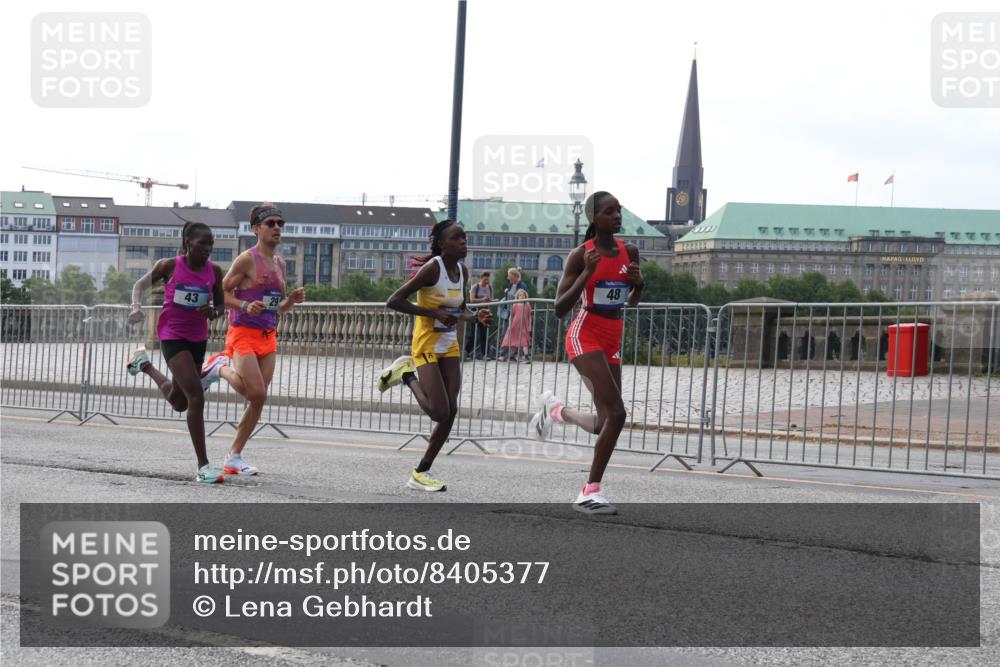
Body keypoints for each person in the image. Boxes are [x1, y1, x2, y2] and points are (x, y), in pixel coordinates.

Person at [528, 191, 644, 515]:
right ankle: (589, 490)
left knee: (603, 422)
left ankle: (556, 411)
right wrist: (585, 275)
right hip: (584, 333)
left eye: (620, 211)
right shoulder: (581, 255)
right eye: (610, 211)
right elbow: (559, 307)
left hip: (613, 338)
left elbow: (629, 303)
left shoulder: (629, 251)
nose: (618, 216)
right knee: (618, 415)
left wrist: (639, 286)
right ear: (595, 217)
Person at [378, 220, 492, 492]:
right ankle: (406, 375)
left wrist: (475, 317)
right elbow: (394, 301)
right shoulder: (433, 269)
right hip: (427, 344)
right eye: (457, 238)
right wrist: (432, 313)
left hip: (449, 345)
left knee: (451, 411)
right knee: (439, 412)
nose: (464, 242)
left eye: (465, 237)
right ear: (442, 244)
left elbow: (460, 309)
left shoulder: (462, 271)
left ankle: (421, 472)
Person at [199, 203, 305, 476]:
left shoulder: (280, 263)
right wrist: (244, 306)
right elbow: (220, 294)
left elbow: (276, 307)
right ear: (256, 229)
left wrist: (290, 300)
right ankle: (219, 367)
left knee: (258, 399)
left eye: (280, 223)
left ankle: (234, 457)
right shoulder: (246, 259)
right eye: (271, 223)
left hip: (268, 335)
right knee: (255, 392)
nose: (277, 228)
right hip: (243, 333)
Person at [125, 221, 227, 484]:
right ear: (187, 243)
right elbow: (139, 286)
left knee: (179, 402)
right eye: (202, 243)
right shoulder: (169, 266)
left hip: (198, 338)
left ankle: (144, 365)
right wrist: (135, 307)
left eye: (211, 244)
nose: (207, 249)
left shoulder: (214, 271)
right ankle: (203, 467)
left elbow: (221, 307)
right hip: (172, 335)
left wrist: (212, 312)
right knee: (195, 396)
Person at [496, 267, 528, 360]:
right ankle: (506, 354)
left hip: (516, 314)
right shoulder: (512, 285)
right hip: (509, 313)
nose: (508, 278)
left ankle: (507, 354)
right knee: (506, 332)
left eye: (509, 276)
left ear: (514, 276)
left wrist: (508, 294)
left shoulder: (522, 286)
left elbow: (521, 299)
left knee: (511, 333)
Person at [499, 288, 533, 362]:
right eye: (520, 295)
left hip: (524, 326)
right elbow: (511, 316)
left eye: (523, 295)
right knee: (514, 342)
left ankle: (526, 356)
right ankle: (508, 356)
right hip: (515, 325)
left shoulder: (527, 305)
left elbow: (529, 316)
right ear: (517, 296)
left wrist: (530, 325)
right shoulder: (515, 304)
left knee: (524, 341)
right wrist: (510, 325)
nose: (522, 296)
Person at [465, 271, 493, 359]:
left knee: (484, 334)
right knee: (472, 334)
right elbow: (472, 299)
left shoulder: (490, 288)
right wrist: (482, 299)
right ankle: (467, 352)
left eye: (488, 279)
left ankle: (485, 354)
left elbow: (492, 298)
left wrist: (490, 300)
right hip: (475, 312)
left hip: (485, 312)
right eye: (485, 279)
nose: (487, 281)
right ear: (481, 279)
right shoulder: (475, 287)